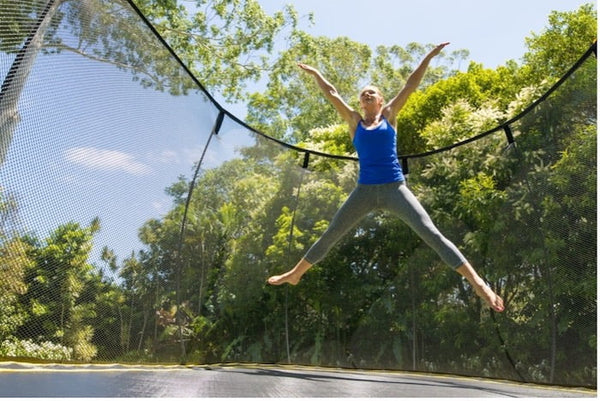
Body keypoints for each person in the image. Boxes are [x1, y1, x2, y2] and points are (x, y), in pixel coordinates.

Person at [267, 43, 504, 313]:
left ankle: (479, 284)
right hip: (365, 191)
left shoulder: (389, 117)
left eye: (373, 93)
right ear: (361, 102)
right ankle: (296, 274)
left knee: (431, 233)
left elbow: (410, 85)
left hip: (395, 188)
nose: (367, 94)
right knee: (333, 231)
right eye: (363, 93)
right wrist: (316, 73)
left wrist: (429, 57)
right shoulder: (354, 121)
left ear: (381, 101)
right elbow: (332, 93)